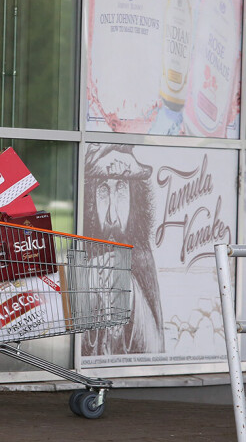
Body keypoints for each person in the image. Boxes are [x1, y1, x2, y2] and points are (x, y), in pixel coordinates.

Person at [82, 143, 165, 355]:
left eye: (120, 189)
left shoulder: (142, 255)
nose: (112, 215)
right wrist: (90, 284)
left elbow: (155, 347)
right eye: (102, 190)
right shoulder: (80, 250)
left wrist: (128, 291)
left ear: (135, 198)